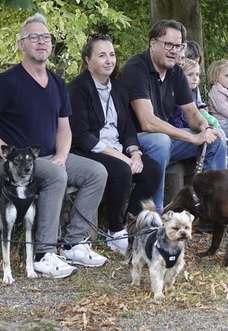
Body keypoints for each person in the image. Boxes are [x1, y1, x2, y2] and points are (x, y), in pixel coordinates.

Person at [0, 13, 108, 279]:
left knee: (96, 172)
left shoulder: (57, 82)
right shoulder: (6, 82)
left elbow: (64, 128)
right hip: (10, 164)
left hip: (46, 158)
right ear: (21, 44)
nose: (41, 42)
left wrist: (61, 154)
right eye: (33, 37)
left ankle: (73, 244)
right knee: (57, 174)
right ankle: (43, 254)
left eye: (45, 37)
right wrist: (6, 154)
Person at [68, 33, 162, 256]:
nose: (109, 60)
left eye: (112, 54)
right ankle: (115, 230)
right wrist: (122, 158)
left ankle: (131, 223)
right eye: (102, 55)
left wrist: (135, 153)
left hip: (118, 149)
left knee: (152, 169)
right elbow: (81, 135)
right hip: (87, 151)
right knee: (121, 169)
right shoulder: (77, 88)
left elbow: (128, 128)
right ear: (88, 60)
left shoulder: (119, 89)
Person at [121, 19, 228, 213]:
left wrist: (205, 128)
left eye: (178, 46)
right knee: (160, 141)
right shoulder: (136, 69)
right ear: (153, 43)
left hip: (164, 138)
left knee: (217, 139)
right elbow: (147, 122)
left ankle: (213, 211)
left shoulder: (176, 72)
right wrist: (192, 137)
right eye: (168, 44)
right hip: (133, 141)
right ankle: (155, 215)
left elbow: (192, 112)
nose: (174, 51)